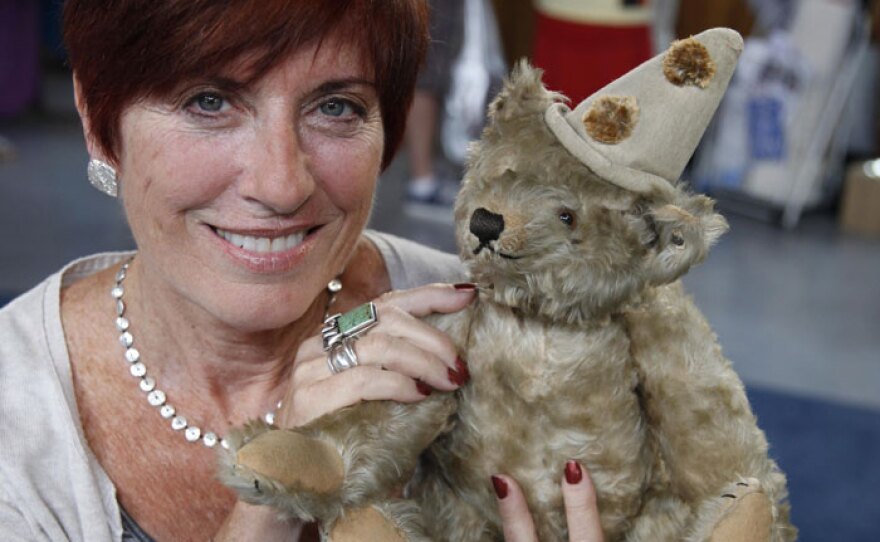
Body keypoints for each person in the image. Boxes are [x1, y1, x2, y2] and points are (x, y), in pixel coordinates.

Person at [0, 1, 603, 541]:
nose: (282, 185)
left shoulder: (507, 329)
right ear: (97, 121)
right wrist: (275, 497)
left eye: (335, 107)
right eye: (209, 102)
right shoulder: (16, 411)